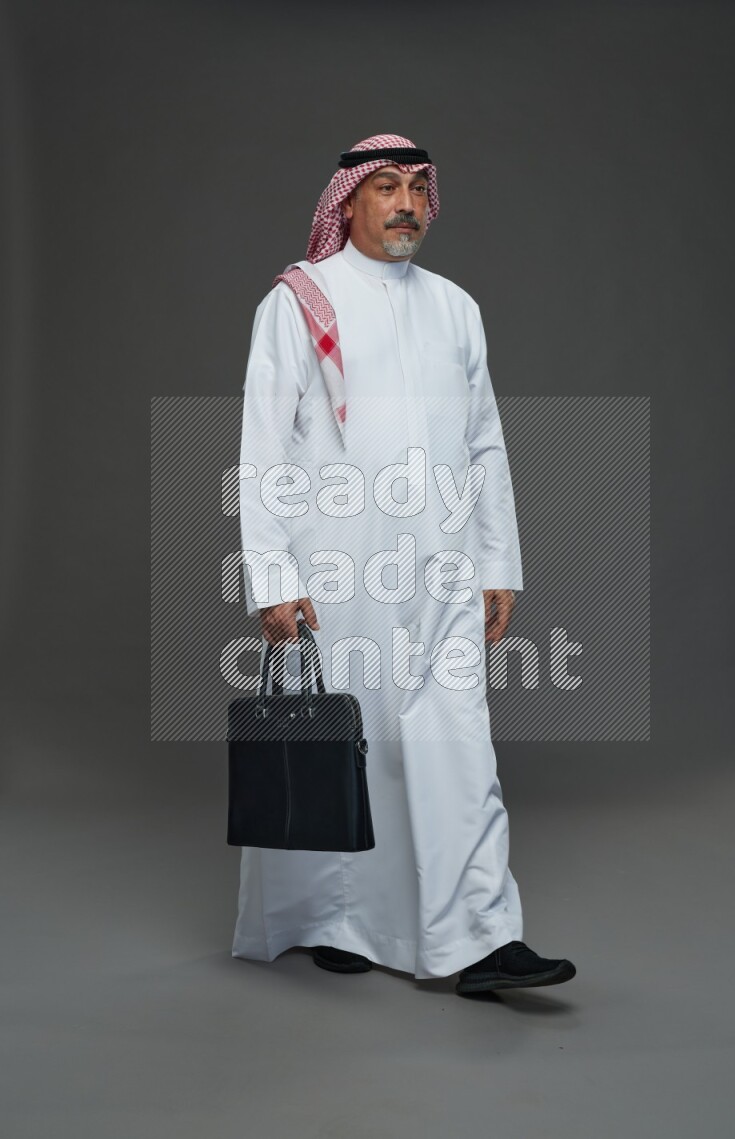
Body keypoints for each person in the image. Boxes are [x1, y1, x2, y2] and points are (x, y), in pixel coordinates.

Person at [234, 133, 576, 995]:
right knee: (352, 743)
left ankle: (484, 938)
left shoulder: (456, 306)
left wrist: (501, 561)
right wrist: (271, 575)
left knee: (457, 742)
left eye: (418, 189)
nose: (405, 204)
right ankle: (336, 921)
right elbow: (265, 445)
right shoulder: (301, 301)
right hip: (339, 566)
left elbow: (484, 442)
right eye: (385, 188)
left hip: (445, 564)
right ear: (345, 202)